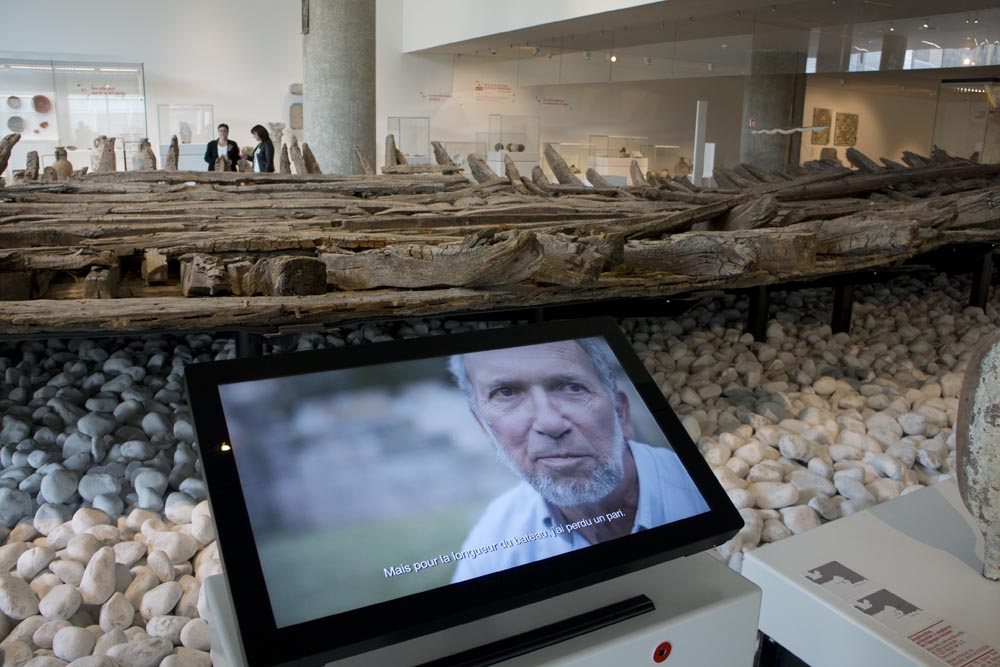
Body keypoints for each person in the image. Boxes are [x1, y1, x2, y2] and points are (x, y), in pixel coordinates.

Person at [447, 338, 709, 583]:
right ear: (485, 429)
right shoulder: (493, 539)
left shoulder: (701, 488)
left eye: (571, 387)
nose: (549, 423)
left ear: (620, 413)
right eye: (506, 392)